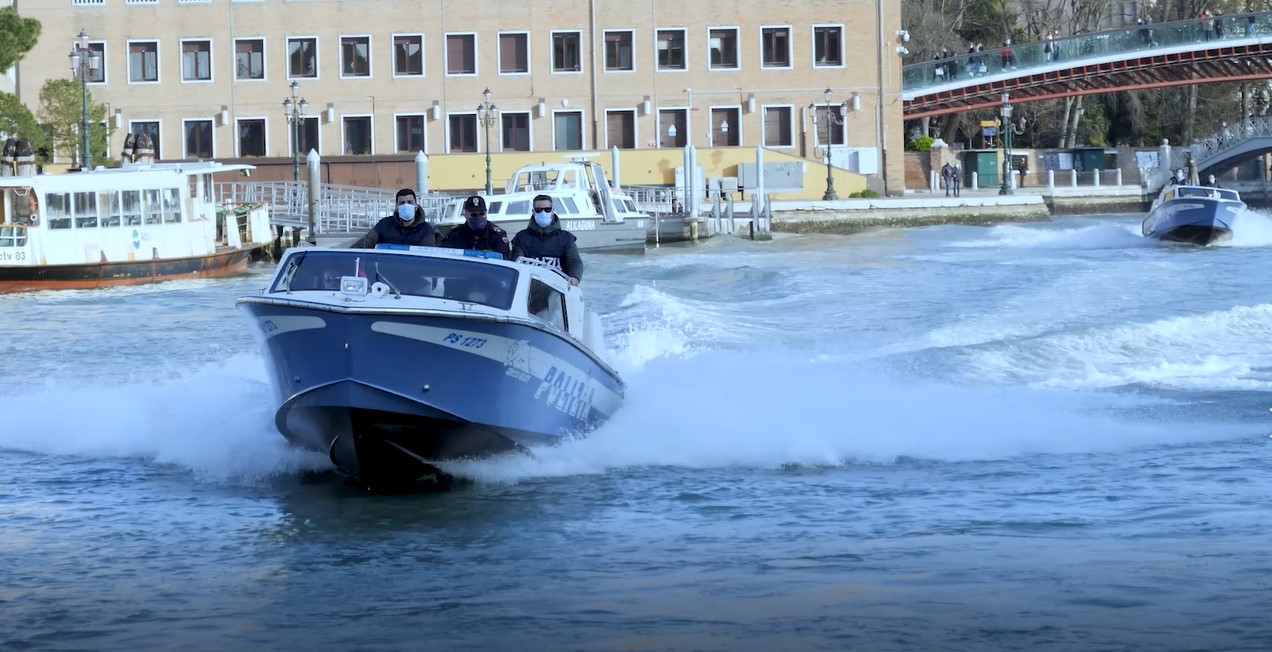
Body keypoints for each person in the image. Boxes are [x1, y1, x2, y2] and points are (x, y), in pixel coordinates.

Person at [511, 194, 583, 286]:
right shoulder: (521, 237)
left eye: (547, 209)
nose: (543, 212)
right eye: (539, 210)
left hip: (558, 289)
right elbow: (516, 262)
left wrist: (575, 277)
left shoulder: (566, 238)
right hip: (529, 287)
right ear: (533, 212)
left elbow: (574, 261)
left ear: (552, 211)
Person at [349, 188, 435, 248]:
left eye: (409, 202)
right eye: (402, 203)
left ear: (416, 206)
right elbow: (365, 243)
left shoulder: (426, 230)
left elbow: (425, 256)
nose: (406, 205)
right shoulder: (384, 225)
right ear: (396, 207)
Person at [438, 195, 511, 259]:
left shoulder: (497, 235)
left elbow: (505, 260)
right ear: (466, 215)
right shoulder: (455, 235)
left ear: (486, 213)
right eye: (474, 215)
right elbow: (444, 257)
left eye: (481, 214)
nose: (478, 217)